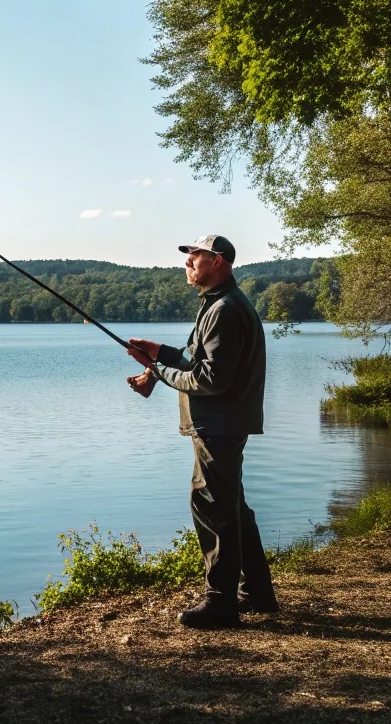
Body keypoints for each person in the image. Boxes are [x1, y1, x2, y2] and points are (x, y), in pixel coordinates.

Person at [126, 234, 277, 629]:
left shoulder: (224, 310)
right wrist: (161, 355)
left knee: (211, 505)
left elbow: (211, 380)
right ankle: (256, 591)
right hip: (223, 422)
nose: (188, 262)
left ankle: (221, 603)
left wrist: (158, 371)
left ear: (220, 260)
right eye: (188, 257)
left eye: (195, 256)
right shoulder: (218, 306)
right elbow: (197, 362)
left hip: (219, 424)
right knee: (234, 509)